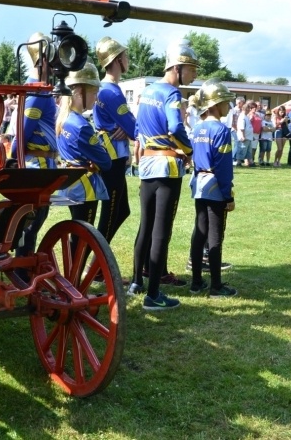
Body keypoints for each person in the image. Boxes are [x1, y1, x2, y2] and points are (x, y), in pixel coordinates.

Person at [130, 39, 195, 310]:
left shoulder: (147, 91)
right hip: (167, 166)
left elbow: (138, 131)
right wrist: (189, 150)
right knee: (160, 231)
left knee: (145, 226)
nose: (194, 75)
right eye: (191, 69)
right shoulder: (171, 94)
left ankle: (136, 282)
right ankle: (154, 295)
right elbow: (175, 127)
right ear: (177, 68)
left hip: (147, 164)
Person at [188, 80, 237, 298]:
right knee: (215, 236)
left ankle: (196, 281)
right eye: (225, 101)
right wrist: (228, 196)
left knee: (199, 233)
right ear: (215, 105)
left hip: (199, 183)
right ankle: (216, 286)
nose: (228, 105)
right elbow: (223, 167)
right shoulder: (221, 130)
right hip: (215, 185)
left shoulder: (197, 128)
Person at [12, 32, 59, 259]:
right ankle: (22, 268)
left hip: (41, 163)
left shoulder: (39, 90)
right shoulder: (38, 93)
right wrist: (13, 158)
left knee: (32, 224)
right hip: (36, 166)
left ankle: (23, 266)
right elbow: (22, 134)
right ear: (43, 60)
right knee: (31, 225)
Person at [55, 62, 111, 224]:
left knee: (76, 231)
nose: (96, 98)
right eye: (94, 92)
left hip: (70, 184)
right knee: (83, 236)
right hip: (85, 187)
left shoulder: (63, 119)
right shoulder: (81, 126)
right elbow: (106, 162)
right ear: (80, 92)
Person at [93, 36, 136, 244]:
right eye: (125, 56)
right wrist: (127, 129)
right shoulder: (111, 92)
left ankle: (99, 257)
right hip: (113, 155)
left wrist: (126, 128)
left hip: (111, 153)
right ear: (117, 60)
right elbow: (134, 128)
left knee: (122, 210)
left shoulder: (103, 88)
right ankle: (97, 258)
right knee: (110, 213)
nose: (128, 60)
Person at [235, 102, 254, 167]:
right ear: (245, 109)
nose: (250, 110)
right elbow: (241, 127)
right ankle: (238, 162)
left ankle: (250, 162)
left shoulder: (246, 116)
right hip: (244, 137)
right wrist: (243, 136)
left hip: (248, 137)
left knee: (248, 151)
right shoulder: (242, 116)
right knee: (242, 149)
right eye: (249, 108)